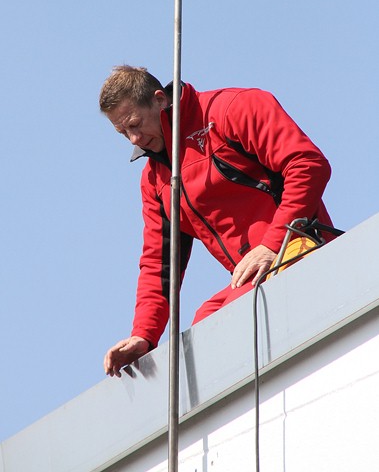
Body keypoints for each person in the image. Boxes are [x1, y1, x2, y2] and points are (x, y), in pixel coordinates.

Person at [99, 65, 334, 377]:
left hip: (300, 246)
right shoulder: (155, 180)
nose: (134, 139)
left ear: (159, 100)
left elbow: (308, 164)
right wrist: (143, 334)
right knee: (205, 328)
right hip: (251, 277)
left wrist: (272, 244)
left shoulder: (233, 109)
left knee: (225, 325)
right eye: (123, 133)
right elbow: (160, 263)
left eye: (135, 124)